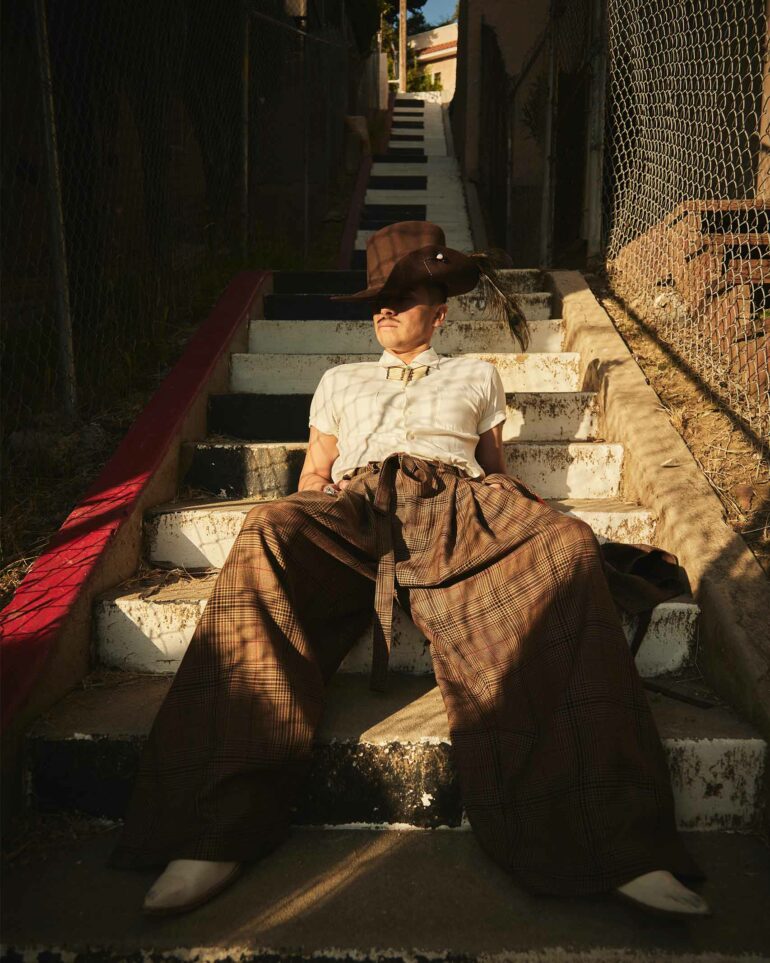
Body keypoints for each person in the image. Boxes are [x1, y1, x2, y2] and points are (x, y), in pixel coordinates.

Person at [110, 221, 711, 921]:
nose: (385, 309)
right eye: (377, 299)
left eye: (402, 295)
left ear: (441, 308)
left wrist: (517, 517)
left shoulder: (476, 375)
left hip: (457, 501)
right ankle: (217, 822)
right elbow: (314, 474)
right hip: (359, 503)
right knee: (267, 529)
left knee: (569, 543)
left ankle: (615, 837)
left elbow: (496, 469)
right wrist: (317, 508)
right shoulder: (339, 379)